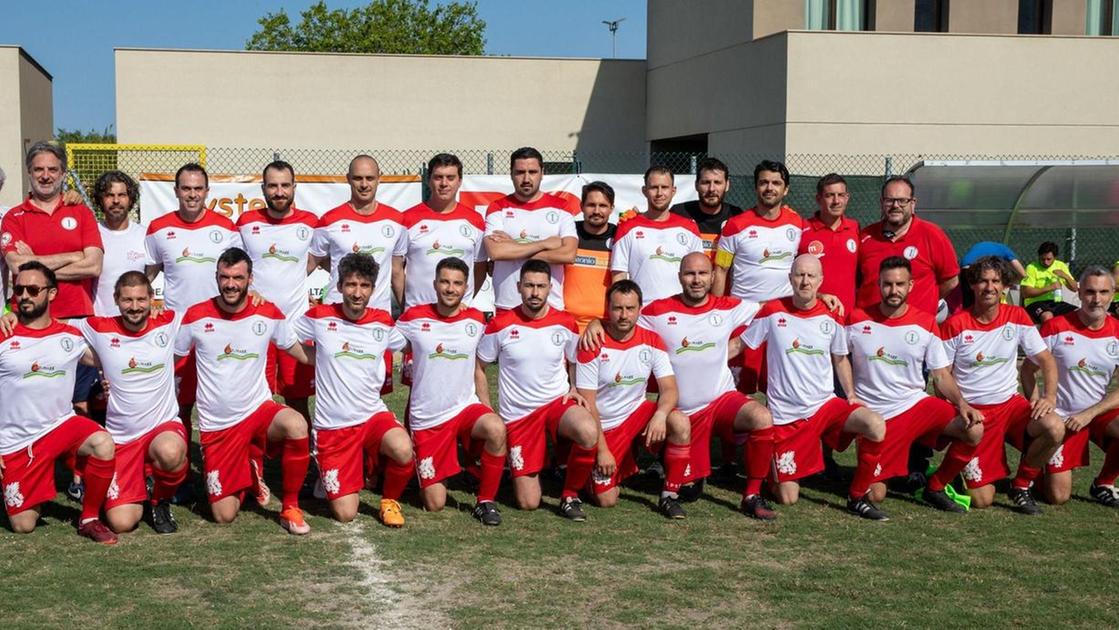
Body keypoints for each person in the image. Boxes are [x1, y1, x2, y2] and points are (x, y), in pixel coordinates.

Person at [583, 253, 778, 519]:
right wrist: (596, 322)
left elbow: (770, 306)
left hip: (721, 400)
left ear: (712, 277)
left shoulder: (728, 307)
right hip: (682, 412)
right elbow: (622, 316)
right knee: (690, 492)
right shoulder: (658, 311)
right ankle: (663, 462)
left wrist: (821, 296)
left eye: (702, 274)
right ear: (679, 278)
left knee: (761, 416)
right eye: (690, 274)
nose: (696, 280)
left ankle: (752, 494)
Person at [737, 254, 889, 520]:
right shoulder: (772, 311)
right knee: (787, 497)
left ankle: (857, 497)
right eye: (799, 275)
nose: (804, 281)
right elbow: (740, 345)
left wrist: (851, 396)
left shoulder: (832, 315)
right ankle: (770, 466)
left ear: (821, 281)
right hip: (786, 416)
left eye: (810, 276)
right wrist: (700, 358)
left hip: (825, 406)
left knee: (874, 424)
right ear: (790, 279)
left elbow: (840, 359)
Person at [174, 248, 313, 533]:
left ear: (250, 279)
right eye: (224, 277)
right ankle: (246, 471)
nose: (230, 284)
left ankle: (290, 507)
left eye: (238, 277)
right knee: (223, 515)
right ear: (216, 277)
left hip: (258, 411)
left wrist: (338, 357)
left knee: (296, 424)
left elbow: (299, 352)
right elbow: (171, 360)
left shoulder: (268, 312)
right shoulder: (195, 316)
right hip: (218, 427)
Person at [846, 257, 986, 511]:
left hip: (915, 406)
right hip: (876, 418)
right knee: (874, 494)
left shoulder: (926, 322)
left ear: (910, 285)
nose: (893, 290)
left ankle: (936, 487)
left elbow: (941, 375)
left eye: (900, 284)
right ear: (878, 284)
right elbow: (838, 359)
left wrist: (962, 403)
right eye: (887, 284)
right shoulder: (856, 319)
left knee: (973, 428)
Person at [294, 254, 415, 526]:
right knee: (345, 513)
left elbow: (406, 343)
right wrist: (319, 359)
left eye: (364, 286)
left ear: (373, 289)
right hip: (333, 427)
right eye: (350, 285)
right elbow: (290, 340)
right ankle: (338, 471)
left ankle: (389, 501)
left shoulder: (383, 322)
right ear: (339, 286)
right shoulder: (319, 316)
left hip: (371, 416)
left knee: (403, 448)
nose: (357, 293)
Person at [0, 262, 117, 543]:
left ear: (51, 294)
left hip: (60, 426)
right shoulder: (4, 332)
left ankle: (89, 517)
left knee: (103, 443)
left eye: (33, 289)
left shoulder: (71, 336)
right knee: (24, 525)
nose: (24, 296)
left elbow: (114, 352)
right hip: (16, 440)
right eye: (19, 290)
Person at [939, 256, 1065, 514]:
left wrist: (1049, 397)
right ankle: (958, 466)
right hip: (976, 414)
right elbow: (942, 376)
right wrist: (959, 406)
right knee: (982, 500)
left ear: (1005, 286)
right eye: (983, 281)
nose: (989, 287)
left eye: (996, 281)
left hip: (1011, 406)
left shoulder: (1017, 316)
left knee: (1054, 426)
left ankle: (1021, 485)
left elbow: (1046, 360)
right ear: (972, 285)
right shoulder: (955, 324)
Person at [476, 260, 599, 521]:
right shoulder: (501, 324)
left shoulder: (565, 322)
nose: (535, 292)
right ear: (519, 287)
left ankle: (570, 495)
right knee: (528, 502)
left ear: (549, 287)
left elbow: (575, 358)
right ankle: (519, 466)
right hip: (519, 417)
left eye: (541, 286)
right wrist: (487, 409)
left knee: (588, 430)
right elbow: (479, 366)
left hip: (556, 404)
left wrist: (575, 386)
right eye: (529, 286)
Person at [395, 257, 508, 525]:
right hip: (428, 418)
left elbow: (483, 364)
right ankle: (425, 466)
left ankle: (486, 501)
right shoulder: (413, 317)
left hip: (464, 408)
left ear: (466, 288)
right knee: (434, 504)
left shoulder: (477, 320)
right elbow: (384, 346)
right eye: (444, 282)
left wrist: (486, 405)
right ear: (434, 284)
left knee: (495, 428)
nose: (450, 288)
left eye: (457, 283)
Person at [75, 271, 188, 533]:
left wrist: (253, 296)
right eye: (127, 300)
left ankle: (160, 499)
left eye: (140, 299)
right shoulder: (98, 327)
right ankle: (145, 479)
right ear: (116, 299)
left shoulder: (169, 321)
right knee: (121, 522)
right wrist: (13, 315)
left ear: (151, 299)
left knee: (170, 452)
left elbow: (215, 309)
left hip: (162, 426)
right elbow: (52, 327)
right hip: (123, 439)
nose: (134, 307)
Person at [2, 142, 105, 415]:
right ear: (29, 172)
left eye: (52, 169)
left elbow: (93, 266)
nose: (45, 175)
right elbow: (15, 264)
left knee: (80, 400)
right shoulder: (14, 217)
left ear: (62, 173)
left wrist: (35, 266)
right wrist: (73, 255)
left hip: (76, 317)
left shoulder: (81, 212)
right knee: (32, 395)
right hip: (29, 321)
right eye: (38, 169)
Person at [575, 279, 692, 518]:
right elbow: (588, 405)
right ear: (607, 309)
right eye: (618, 308)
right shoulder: (592, 344)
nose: (624, 315)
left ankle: (670, 496)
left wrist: (660, 415)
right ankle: (594, 471)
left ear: (640, 309)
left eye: (630, 308)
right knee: (606, 500)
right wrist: (602, 451)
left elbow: (669, 388)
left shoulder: (652, 340)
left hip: (637, 415)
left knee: (679, 421)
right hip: (604, 426)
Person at [145, 162, 243, 436]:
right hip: (179, 332)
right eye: (186, 188)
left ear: (207, 191)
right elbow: (147, 276)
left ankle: (225, 465)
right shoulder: (158, 229)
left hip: (219, 330)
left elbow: (240, 274)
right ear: (176, 191)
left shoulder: (226, 228)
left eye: (198, 189)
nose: (192, 194)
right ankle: (180, 469)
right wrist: (146, 304)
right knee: (179, 405)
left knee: (223, 403)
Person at [1022, 265, 1119, 507]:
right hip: (1061, 419)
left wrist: (1089, 414)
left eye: (1103, 292)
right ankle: (1037, 453)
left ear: (1113, 294)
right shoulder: (1056, 326)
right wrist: (1036, 403)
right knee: (1057, 497)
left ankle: (1104, 483)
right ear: (1078, 293)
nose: (1096, 299)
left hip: (1094, 416)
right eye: (1089, 292)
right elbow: (1027, 369)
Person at [236, 161, 319, 421]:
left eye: (285, 185)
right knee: (254, 399)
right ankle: (256, 458)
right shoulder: (246, 222)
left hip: (295, 326)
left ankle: (300, 456)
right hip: (254, 326)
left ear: (294, 188)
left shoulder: (311, 223)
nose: (279, 192)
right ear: (263, 189)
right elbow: (235, 267)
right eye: (273, 186)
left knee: (297, 399)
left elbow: (319, 261)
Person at [714, 160, 805, 395]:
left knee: (782, 384)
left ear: (785, 189)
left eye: (776, 183)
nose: (769, 188)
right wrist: (715, 313)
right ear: (755, 187)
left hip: (783, 316)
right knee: (742, 388)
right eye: (764, 182)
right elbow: (721, 269)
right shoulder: (735, 226)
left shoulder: (798, 224)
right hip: (746, 315)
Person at [484, 147, 577, 312]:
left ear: (542, 173)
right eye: (520, 172)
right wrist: (544, 244)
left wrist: (513, 246)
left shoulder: (562, 207)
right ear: (511, 174)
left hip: (550, 307)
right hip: (508, 305)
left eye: (532, 172)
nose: (526, 178)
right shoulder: (497, 207)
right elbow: (496, 252)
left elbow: (568, 254)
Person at [310, 155, 406, 310]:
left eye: (370, 178)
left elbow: (396, 271)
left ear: (379, 178)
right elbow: (310, 264)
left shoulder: (397, 221)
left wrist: (405, 310)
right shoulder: (329, 220)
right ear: (348, 179)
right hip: (336, 314)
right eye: (357, 178)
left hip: (378, 316)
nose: (364, 184)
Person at [856, 176, 959, 315]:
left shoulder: (932, 234)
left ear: (913, 203)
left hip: (917, 329)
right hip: (871, 326)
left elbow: (951, 281)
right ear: (881, 203)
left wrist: (926, 301)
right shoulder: (865, 237)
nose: (895, 205)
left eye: (902, 200)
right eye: (890, 200)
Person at [401, 153, 487, 307]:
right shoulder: (407, 219)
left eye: (450, 177)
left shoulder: (475, 220)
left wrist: (464, 301)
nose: (444, 183)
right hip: (417, 315)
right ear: (428, 180)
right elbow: (396, 269)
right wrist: (406, 305)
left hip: (459, 316)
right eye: (438, 177)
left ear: (459, 181)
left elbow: (480, 268)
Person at [610, 166, 703, 303]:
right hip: (643, 314)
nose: (659, 193)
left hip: (680, 311)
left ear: (673, 191)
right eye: (654, 187)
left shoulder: (689, 228)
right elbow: (619, 275)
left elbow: (698, 274)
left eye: (664, 187)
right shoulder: (627, 227)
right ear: (644, 191)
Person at [564, 181, 617, 333]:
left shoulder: (620, 236)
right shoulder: (569, 232)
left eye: (603, 206)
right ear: (581, 206)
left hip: (605, 326)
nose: (596, 211)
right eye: (591, 205)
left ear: (611, 208)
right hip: (567, 324)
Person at [92, 171, 147, 317]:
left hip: (135, 323)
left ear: (130, 199)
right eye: (110, 195)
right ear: (100, 200)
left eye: (122, 195)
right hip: (100, 324)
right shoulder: (92, 234)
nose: (116, 201)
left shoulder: (145, 236)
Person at [669, 157, 742, 258]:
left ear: (727, 185)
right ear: (696, 185)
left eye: (717, 182)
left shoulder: (736, 215)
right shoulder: (679, 213)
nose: (711, 189)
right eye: (706, 182)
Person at [1020, 241, 1078, 324]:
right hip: (1034, 303)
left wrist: (1065, 276)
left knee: (1077, 313)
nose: (1045, 262)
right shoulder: (1032, 267)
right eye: (1042, 259)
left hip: (1056, 302)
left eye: (1049, 259)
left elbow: (1075, 288)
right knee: (1047, 316)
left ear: (1055, 257)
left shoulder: (1060, 266)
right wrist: (1050, 288)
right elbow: (1026, 293)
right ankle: (1047, 336)